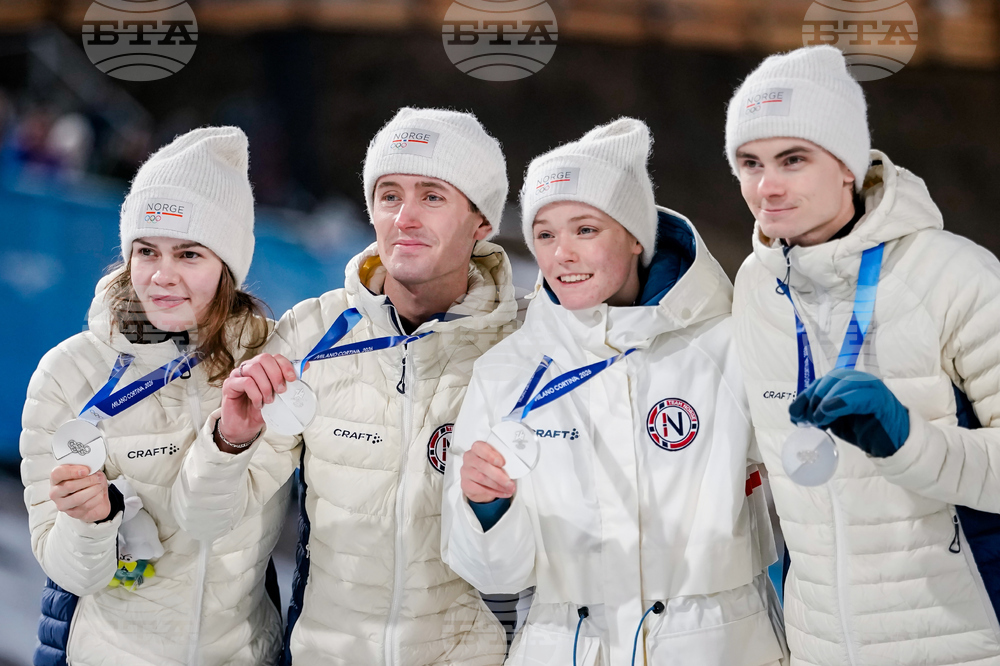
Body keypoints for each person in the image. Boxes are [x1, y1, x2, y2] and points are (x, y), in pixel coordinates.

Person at [171, 107, 517, 665]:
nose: (404, 217)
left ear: (481, 222)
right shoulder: (311, 333)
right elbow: (206, 523)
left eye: (432, 196)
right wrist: (229, 441)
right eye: (388, 195)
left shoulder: (526, 343)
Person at [441, 118, 787, 666]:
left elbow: (813, 488)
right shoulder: (508, 372)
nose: (561, 254)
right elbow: (495, 576)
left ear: (634, 235)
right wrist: (486, 510)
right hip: (565, 646)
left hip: (717, 644)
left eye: (585, 230)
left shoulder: (726, 347)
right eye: (545, 235)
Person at [727, 44, 1000, 665]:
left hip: (964, 642)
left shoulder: (953, 275)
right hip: (820, 646)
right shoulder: (755, 286)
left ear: (848, 167)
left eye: (793, 159)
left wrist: (908, 440)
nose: (767, 187)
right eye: (749, 163)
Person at [20, 126, 288, 666]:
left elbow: (211, 521)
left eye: (188, 254)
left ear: (227, 266)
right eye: (147, 251)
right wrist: (89, 522)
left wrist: (230, 444)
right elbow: (70, 574)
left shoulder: (268, 364)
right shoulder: (68, 373)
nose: (162, 276)